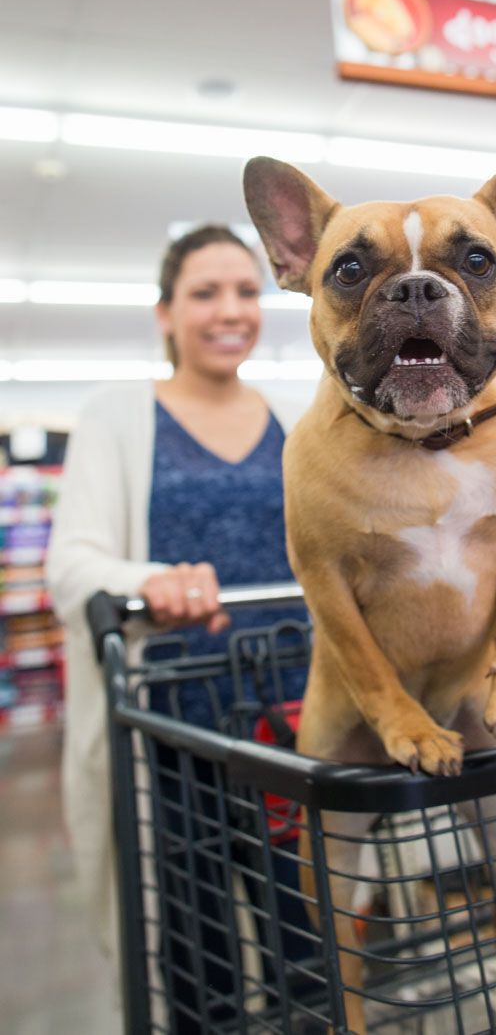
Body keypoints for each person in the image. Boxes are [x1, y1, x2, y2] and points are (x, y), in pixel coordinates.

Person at [47, 224, 309, 1028]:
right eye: (205, 293)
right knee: (201, 968)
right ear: (165, 313)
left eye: (244, 292)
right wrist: (150, 581)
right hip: (173, 743)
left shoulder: (298, 417)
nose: (229, 311)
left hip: (296, 731)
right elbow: (73, 564)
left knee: (313, 950)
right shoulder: (117, 417)